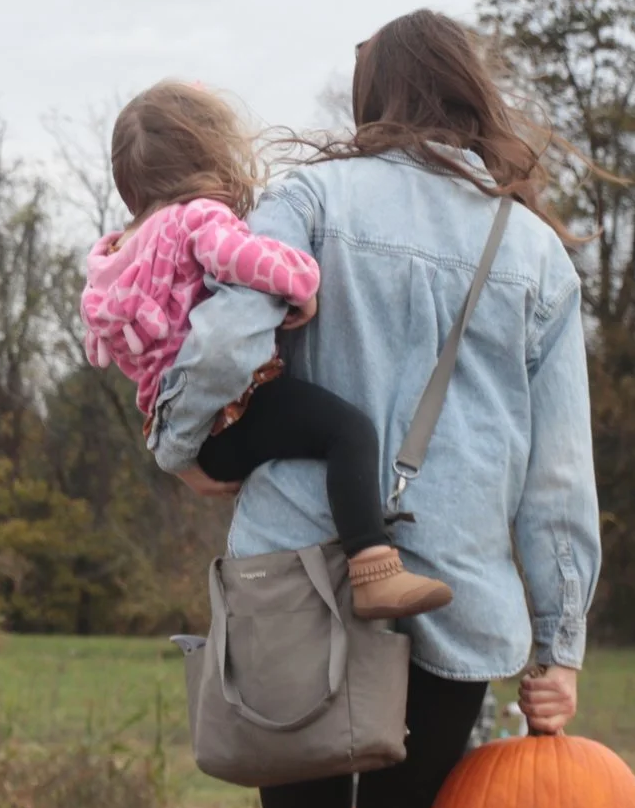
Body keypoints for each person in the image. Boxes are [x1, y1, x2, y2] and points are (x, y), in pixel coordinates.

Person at [152, 10, 598, 808]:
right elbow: (558, 481)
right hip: (451, 585)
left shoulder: (309, 201)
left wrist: (188, 444)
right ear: (470, 97)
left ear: (370, 100)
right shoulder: (538, 255)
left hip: (299, 559)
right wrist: (558, 644)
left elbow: (228, 329)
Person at [85, 82, 451, 621]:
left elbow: (113, 346)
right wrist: (301, 284)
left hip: (195, 438)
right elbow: (245, 259)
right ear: (208, 155)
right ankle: (374, 569)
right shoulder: (197, 217)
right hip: (238, 406)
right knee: (348, 432)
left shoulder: (112, 256)